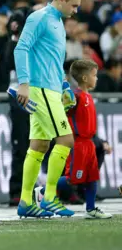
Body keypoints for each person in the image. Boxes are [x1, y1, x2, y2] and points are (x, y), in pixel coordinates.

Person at [14, 0, 84, 218]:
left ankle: (25, 201)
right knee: (66, 140)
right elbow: (20, 48)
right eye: (74, 5)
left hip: (51, 89)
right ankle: (50, 197)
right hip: (40, 89)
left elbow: (54, 60)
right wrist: (23, 83)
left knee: (39, 145)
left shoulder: (58, 23)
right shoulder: (40, 17)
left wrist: (64, 85)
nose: (76, 10)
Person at [34, 60, 112, 219]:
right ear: (84, 78)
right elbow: (62, 112)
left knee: (92, 177)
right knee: (73, 179)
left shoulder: (88, 96)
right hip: (79, 143)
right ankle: (42, 191)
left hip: (89, 143)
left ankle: (91, 209)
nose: (96, 78)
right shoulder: (74, 97)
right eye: (94, 75)